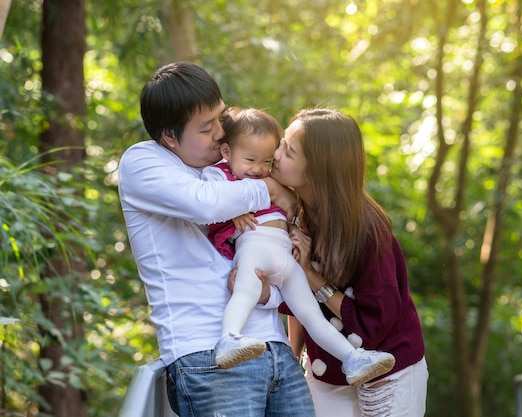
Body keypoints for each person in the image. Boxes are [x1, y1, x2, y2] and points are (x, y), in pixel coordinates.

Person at [117, 62, 315, 417]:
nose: (222, 133)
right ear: (170, 137)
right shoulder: (144, 161)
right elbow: (204, 204)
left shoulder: (237, 169)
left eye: (222, 119)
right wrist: (269, 187)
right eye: (207, 128)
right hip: (208, 356)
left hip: (274, 349)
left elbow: (268, 259)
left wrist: (268, 293)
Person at [203, 107, 396, 387]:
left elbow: (290, 214)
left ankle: (353, 358)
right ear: (226, 152)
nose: (261, 167)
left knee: (311, 314)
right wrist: (235, 208)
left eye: (269, 159)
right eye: (251, 159)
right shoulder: (223, 176)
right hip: (255, 247)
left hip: (287, 258)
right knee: (245, 290)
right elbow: (209, 202)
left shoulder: (358, 223)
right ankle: (228, 339)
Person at [271, 108, 429, 417]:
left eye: (288, 151)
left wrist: (310, 275)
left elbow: (375, 324)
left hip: (389, 369)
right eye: (281, 143)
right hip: (328, 370)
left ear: (318, 169)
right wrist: (294, 355)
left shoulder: (367, 231)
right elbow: (297, 300)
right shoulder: (294, 212)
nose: (275, 155)